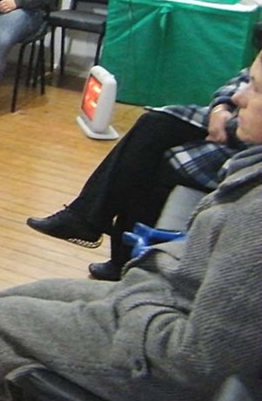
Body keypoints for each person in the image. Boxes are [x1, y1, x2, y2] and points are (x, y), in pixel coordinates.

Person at [0, 50, 262, 401]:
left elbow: (200, 363)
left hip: (177, 357)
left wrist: (138, 288)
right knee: (5, 298)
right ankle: (88, 223)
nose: (241, 96)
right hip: (169, 303)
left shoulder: (254, 216)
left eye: (255, 89)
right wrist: (149, 279)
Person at [27, 66, 253, 280]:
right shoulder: (248, 86)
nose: (240, 96)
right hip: (237, 123)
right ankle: (90, 223)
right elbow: (242, 80)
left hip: (247, 145)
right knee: (153, 126)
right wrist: (220, 107)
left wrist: (229, 121)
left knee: (158, 163)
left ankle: (112, 248)